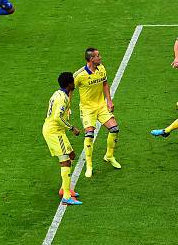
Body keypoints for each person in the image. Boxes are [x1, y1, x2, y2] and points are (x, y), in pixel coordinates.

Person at [73, 48, 121, 176]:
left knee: (114, 129)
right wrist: (68, 108)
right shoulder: (80, 75)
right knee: (89, 135)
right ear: (91, 59)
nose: (100, 57)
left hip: (101, 106)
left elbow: (105, 83)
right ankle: (89, 165)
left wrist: (109, 101)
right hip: (87, 109)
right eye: (98, 56)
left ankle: (109, 156)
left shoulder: (101, 69)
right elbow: (69, 89)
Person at [42, 72, 82, 205]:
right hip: (54, 132)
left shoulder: (59, 93)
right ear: (70, 84)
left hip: (57, 131)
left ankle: (64, 189)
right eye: (73, 81)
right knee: (65, 161)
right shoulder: (62, 99)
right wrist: (72, 128)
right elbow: (57, 117)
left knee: (71, 155)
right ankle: (66, 196)